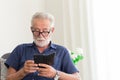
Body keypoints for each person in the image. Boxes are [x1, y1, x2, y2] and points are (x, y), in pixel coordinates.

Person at [5, 12, 81, 80]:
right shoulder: (20, 49)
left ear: (52, 30)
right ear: (31, 29)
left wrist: (55, 74)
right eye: (37, 31)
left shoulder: (62, 51)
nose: (40, 35)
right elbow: (8, 78)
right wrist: (23, 72)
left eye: (45, 31)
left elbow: (77, 78)